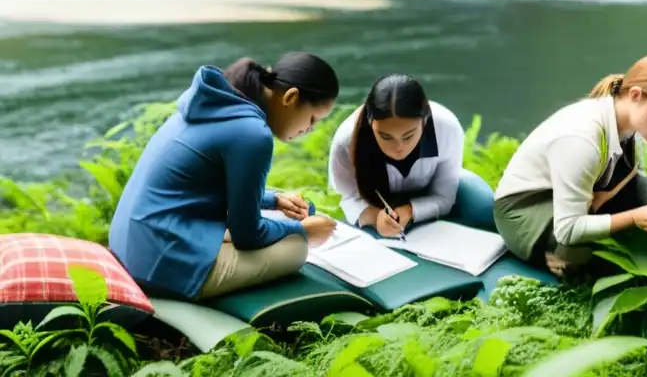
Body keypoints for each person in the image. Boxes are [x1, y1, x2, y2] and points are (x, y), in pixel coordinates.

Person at [109, 53, 341, 301]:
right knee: (295, 249)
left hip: (132, 245)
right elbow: (249, 236)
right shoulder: (253, 134)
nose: (310, 129)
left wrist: (273, 200)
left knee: (272, 211)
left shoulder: (215, 103)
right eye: (313, 119)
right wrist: (302, 231)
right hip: (159, 268)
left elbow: (203, 185)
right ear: (290, 97)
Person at [492, 54, 647, 278]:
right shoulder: (581, 139)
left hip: (580, 198)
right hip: (526, 210)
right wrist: (633, 217)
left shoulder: (629, 125)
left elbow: (624, 181)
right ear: (635, 95)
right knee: (585, 253)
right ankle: (557, 257)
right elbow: (568, 228)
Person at [328, 73, 496, 236]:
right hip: (374, 210)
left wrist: (411, 210)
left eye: (408, 136)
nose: (398, 147)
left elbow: (444, 197)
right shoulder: (347, 141)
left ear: (424, 121)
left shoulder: (446, 128)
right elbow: (347, 198)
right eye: (385, 136)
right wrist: (375, 217)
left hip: (428, 201)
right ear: (371, 123)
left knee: (484, 205)